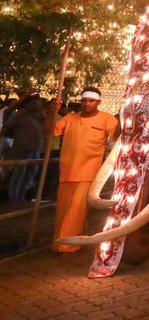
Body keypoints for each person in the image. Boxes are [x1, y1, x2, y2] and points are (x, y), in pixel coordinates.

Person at [47, 87, 118, 253]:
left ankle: (69, 246)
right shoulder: (70, 118)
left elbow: (117, 137)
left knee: (76, 210)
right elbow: (50, 131)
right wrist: (53, 112)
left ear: (98, 102)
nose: (87, 104)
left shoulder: (106, 119)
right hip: (66, 172)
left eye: (91, 101)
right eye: (84, 100)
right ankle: (59, 244)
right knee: (63, 210)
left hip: (88, 172)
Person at [2, 95, 45, 202]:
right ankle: (14, 197)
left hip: (36, 149)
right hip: (22, 149)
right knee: (19, 173)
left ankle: (22, 195)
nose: (37, 104)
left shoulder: (39, 116)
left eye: (38, 102)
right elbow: (6, 129)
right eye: (35, 102)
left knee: (31, 174)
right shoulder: (20, 114)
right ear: (28, 103)